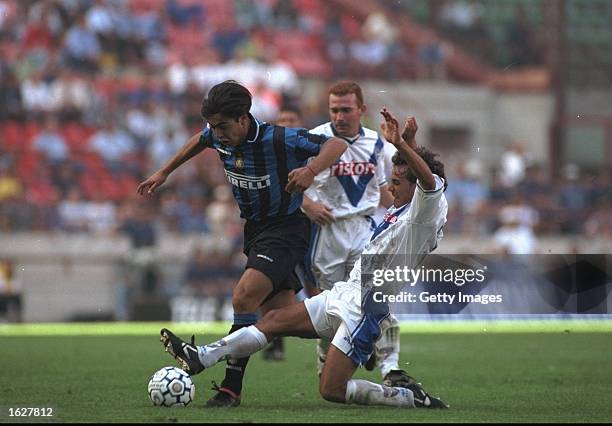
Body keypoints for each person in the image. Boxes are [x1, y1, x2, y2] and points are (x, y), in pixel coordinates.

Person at [160, 109, 449, 409]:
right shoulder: (412, 204)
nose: (389, 187)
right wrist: (410, 145)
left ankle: (406, 397)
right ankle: (202, 356)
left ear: (417, 187)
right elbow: (421, 176)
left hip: (365, 308)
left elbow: (427, 181)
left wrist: (402, 145)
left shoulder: (427, 211)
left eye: (397, 183)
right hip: (345, 294)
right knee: (272, 320)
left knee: (332, 390)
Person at [138, 80, 348, 407]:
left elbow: (336, 145)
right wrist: (164, 172)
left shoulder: (278, 138)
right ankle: (351, 329)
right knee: (279, 319)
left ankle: (229, 389)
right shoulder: (217, 134)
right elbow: (199, 139)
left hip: (286, 229)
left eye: (223, 126)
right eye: (213, 126)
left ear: (243, 119)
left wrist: (310, 170)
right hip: (255, 231)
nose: (216, 133)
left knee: (244, 297)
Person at [300, 81, 403, 385]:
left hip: (365, 230)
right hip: (326, 234)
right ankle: (326, 370)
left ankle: (392, 369)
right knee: (329, 308)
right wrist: (308, 205)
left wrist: (401, 216)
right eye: (334, 110)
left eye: (346, 109)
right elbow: (292, 184)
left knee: (378, 298)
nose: (339, 116)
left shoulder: (377, 143)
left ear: (361, 109)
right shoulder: (314, 139)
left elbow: (386, 189)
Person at [261, 102, 307, 362]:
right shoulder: (268, 152)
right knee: (273, 285)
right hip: (282, 229)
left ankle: (340, 338)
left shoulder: (312, 148)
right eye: (282, 120)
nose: (287, 124)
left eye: (291, 119)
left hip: (312, 229)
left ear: (301, 122)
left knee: (318, 287)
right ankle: (274, 341)